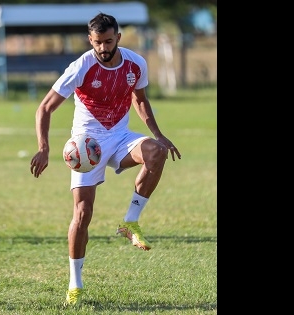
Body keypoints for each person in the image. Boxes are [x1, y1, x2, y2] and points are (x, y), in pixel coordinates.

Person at [29, 12, 181, 306]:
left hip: (120, 136)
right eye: (97, 42)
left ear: (118, 38)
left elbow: (140, 100)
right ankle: (75, 284)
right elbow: (44, 108)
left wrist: (158, 135)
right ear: (91, 40)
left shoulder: (135, 63)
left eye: (108, 41)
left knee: (155, 152)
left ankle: (130, 222)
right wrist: (44, 147)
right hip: (87, 145)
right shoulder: (80, 67)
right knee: (83, 214)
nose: (103, 48)